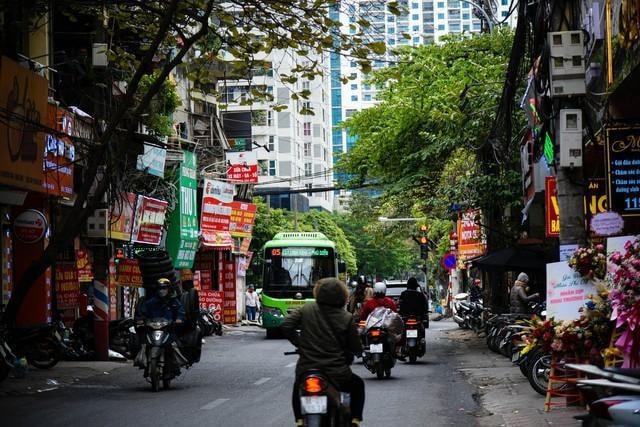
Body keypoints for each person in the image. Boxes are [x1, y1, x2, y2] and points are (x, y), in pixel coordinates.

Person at [281, 278, 365, 427]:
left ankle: (299, 420)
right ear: (342, 295)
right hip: (337, 372)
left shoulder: (306, 309)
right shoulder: (346, 317)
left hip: (307, 368)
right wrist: (359, 350)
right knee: (358, 385)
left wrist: (299, 343)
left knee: (298, 386)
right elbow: (355, 345)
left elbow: (286, 325)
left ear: (318, 292)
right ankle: (355, 420)